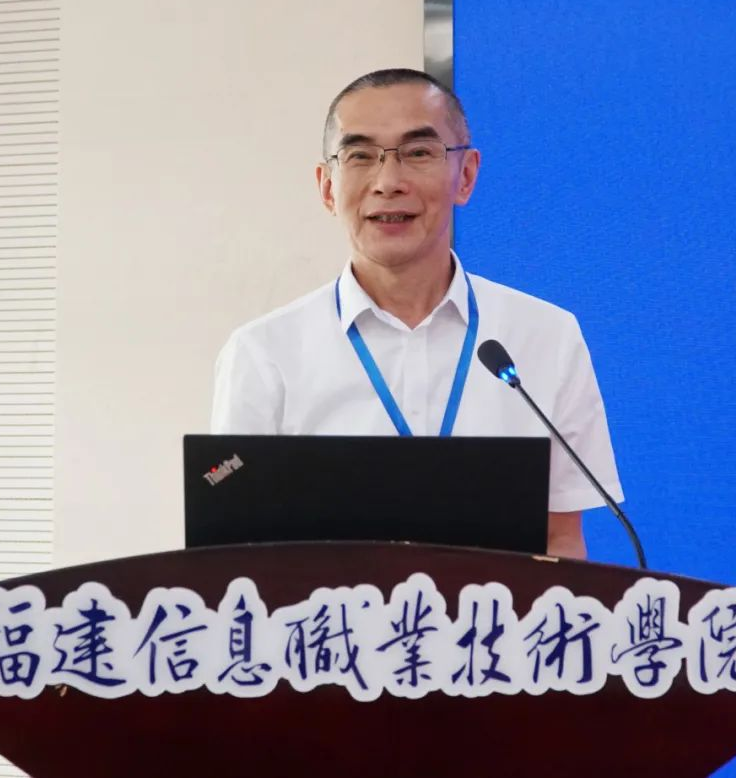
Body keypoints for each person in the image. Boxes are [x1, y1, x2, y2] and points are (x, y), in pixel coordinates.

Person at [211, 68, 623, 560]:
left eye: (419, 153)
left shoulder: (545, 336)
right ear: (327, 187)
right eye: (360, 156)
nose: (388, 182)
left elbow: (559, 539)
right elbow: (235, 551)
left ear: (465, 176)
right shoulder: (263, 354)